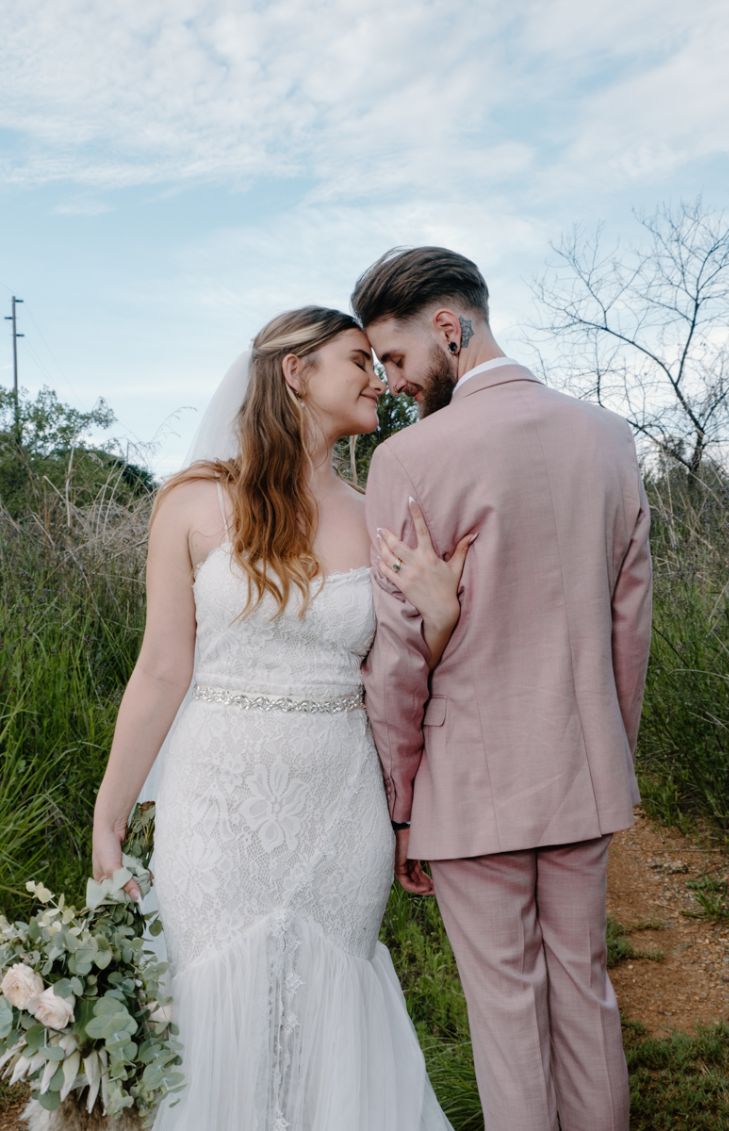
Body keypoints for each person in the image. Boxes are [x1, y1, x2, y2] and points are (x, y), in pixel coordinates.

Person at [92, 307, 471, 1131]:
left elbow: (404, 672)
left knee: (331, 1002)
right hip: (214, 804)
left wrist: (441, 620)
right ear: (296, 373)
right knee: (213, 1005)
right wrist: (110, 813)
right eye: (358, 360)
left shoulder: (379, 514)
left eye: (379, 361)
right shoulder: (192, 505)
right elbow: (161, 669)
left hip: (339, 807)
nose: (379, 377)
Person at [351, 248, 653, 1131]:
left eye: (397, 358)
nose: (396, 383)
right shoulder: (609, 439)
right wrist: (609, 751)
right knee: (586, 991)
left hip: (470, 783)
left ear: (451, 327)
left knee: (508, 1011)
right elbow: (628, 627)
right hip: (582, 768)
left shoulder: (408, 461)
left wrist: (403, 803)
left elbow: (400, 655)